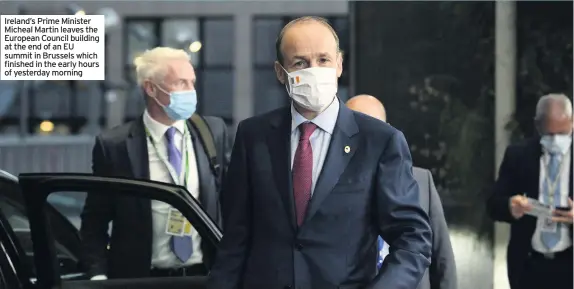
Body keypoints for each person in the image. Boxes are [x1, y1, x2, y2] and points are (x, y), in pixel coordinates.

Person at [208, 17, 432, 289]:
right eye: (300, 63)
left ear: (339, 64)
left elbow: (411, 238)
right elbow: (235, 240)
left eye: (323, 60)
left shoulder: (380, 141)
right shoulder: (253, 136)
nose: (314, 71)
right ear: (281, 72)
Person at [80, 47, 230, 279]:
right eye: (181, 83)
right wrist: (97, 275)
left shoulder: (212, 132)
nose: (191, 91)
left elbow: (231, 204)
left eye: (192, 82)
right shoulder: (115, 146)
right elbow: (94, 220)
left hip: (205, 276)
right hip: (142, 279)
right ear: (150, 88)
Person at [346, 94, 458, 289]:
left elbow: (443, 261)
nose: (366, 138)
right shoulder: (330, 186)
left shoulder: (420, 181)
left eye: (374, 128)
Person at [487, 93, 573, 289]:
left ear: (573, 123)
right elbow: (493, 203)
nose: (556, 140)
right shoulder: (519, 155)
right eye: (549, 134)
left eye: (562, 133)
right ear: (538, 126)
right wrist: (510, 206)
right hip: (529, 266)